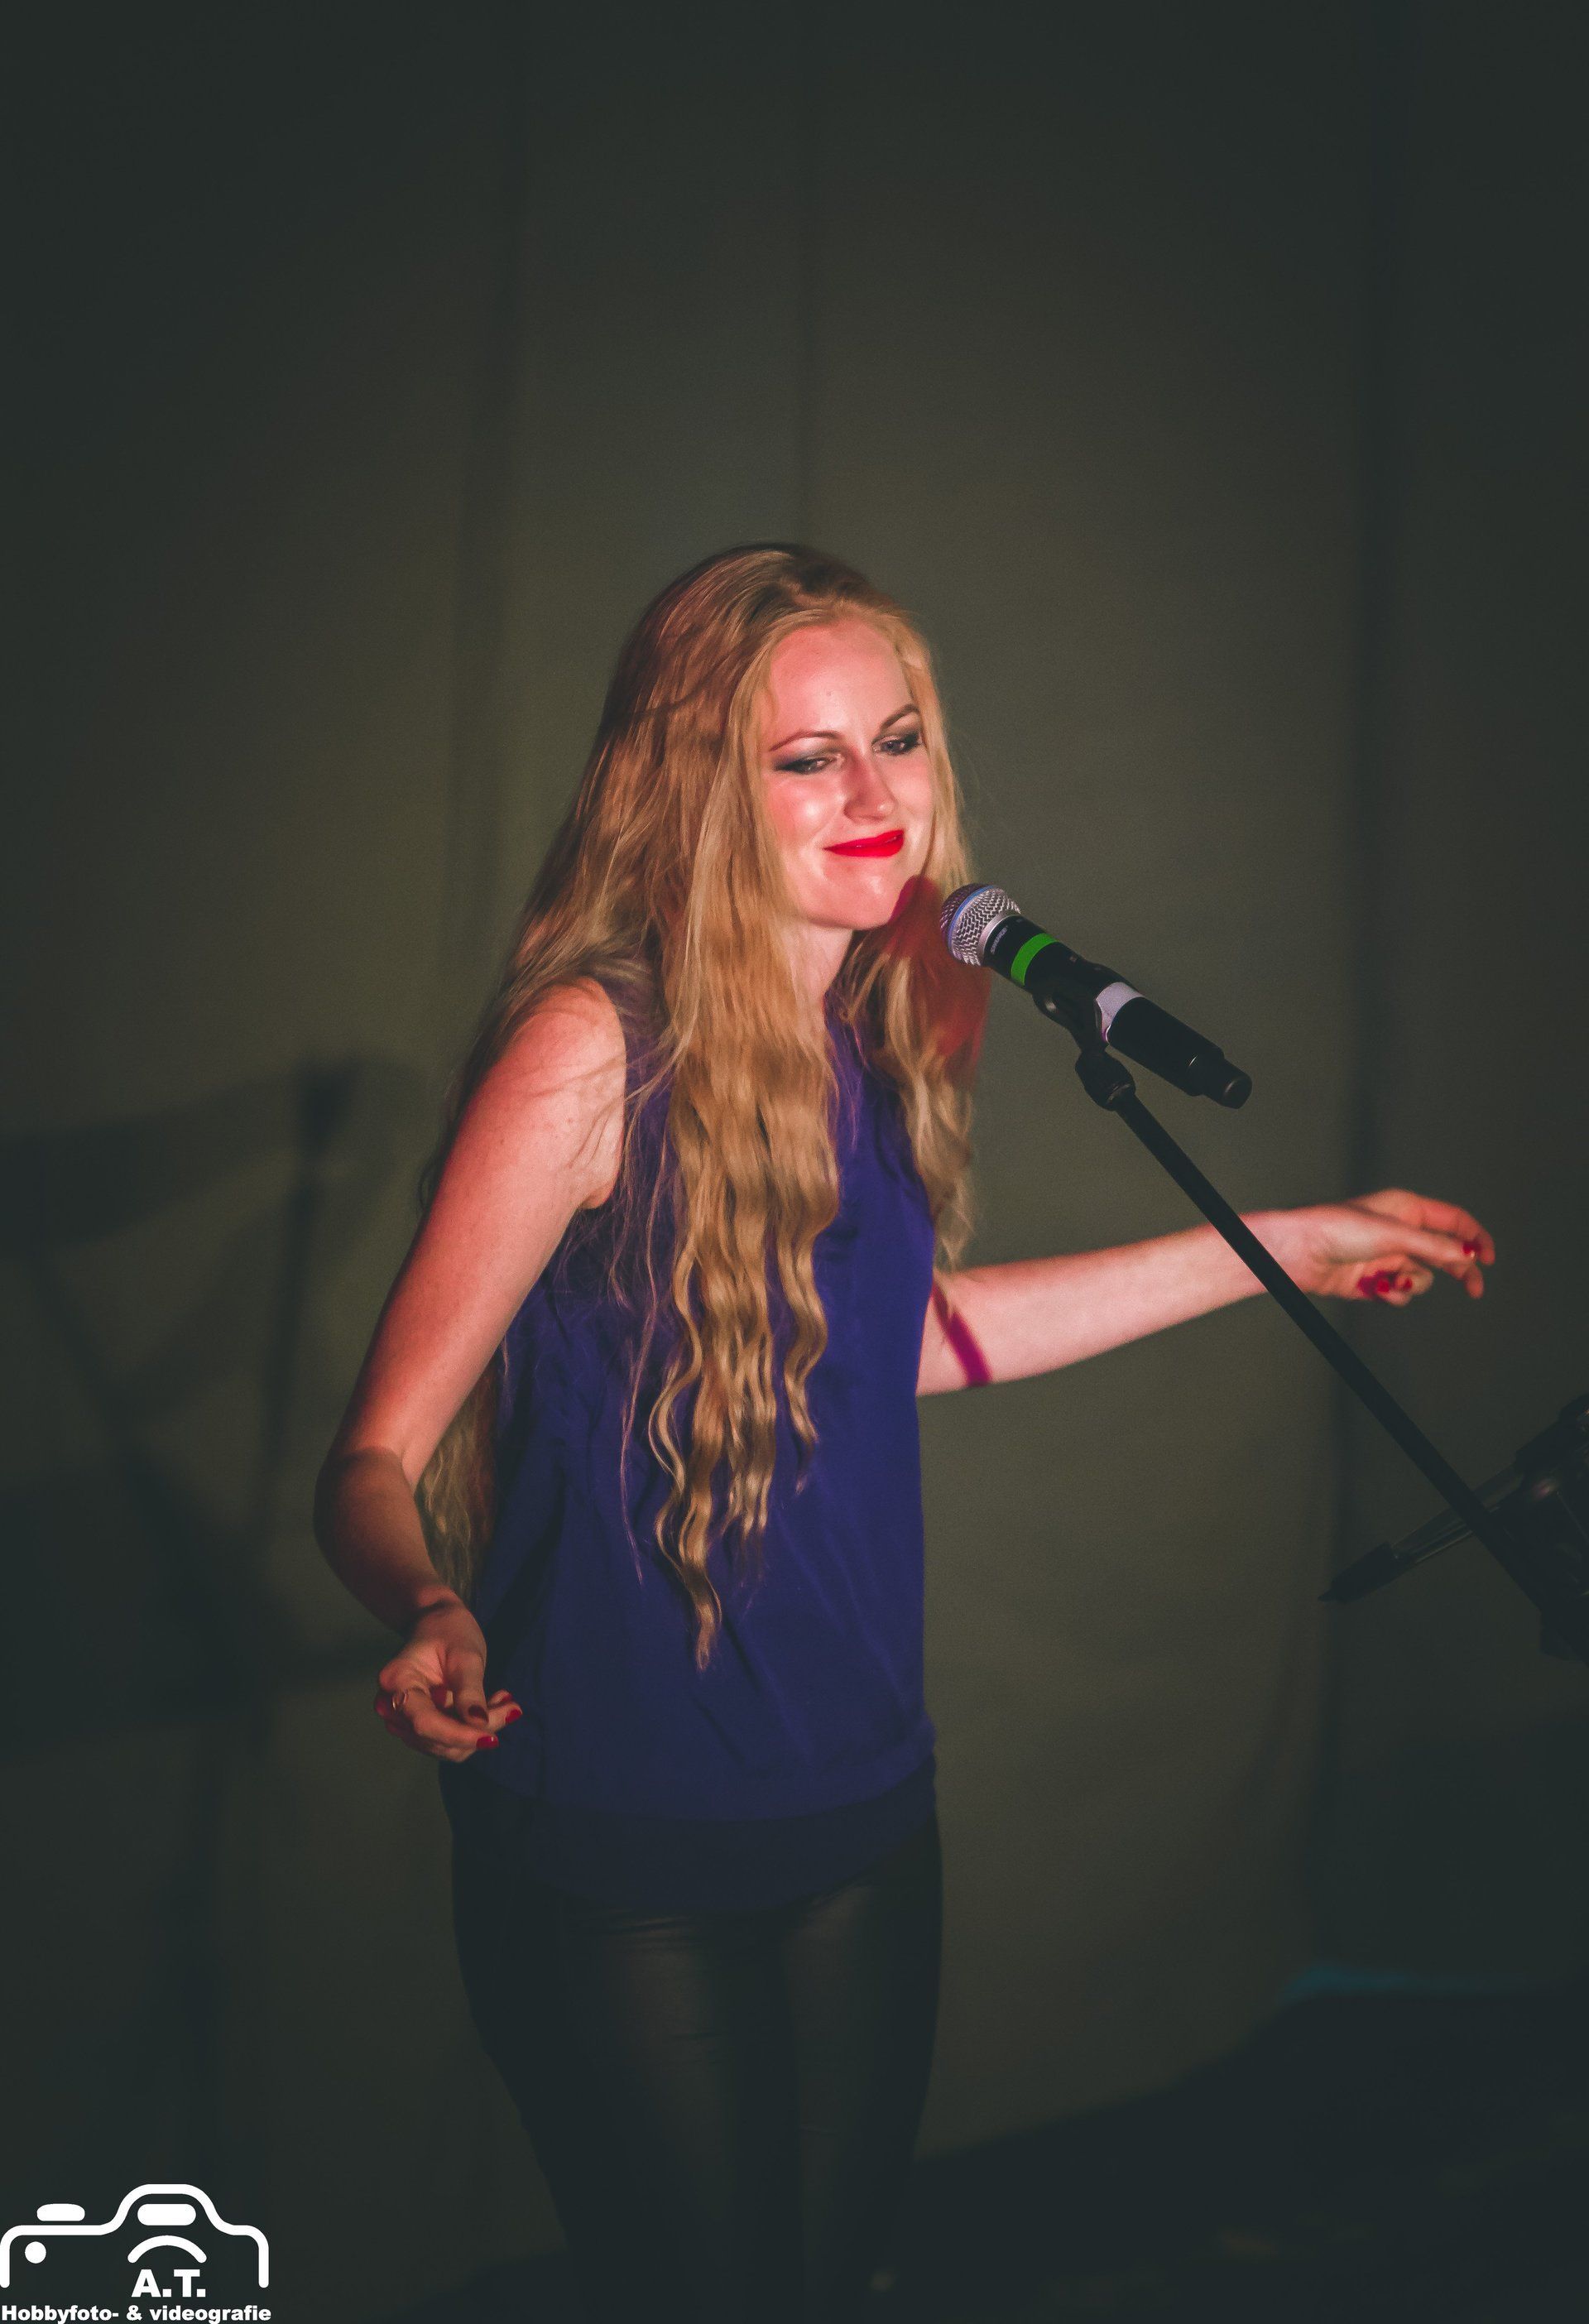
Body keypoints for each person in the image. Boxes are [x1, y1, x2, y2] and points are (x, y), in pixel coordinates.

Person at [313, 542, 1494, 2322]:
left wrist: (1287, 1250)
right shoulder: (590, 1051)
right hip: (624, 1849)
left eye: (901, 740)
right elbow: (372, 1457)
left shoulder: (885, 1021)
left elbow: (900, 1346)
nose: (877, 798)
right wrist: (425, 1604)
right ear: (701, 791)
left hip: (863, 1816)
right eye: (811, 760)